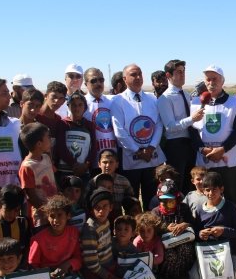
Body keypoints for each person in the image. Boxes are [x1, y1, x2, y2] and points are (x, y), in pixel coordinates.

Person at [111, 63, 166, 209]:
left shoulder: (152, 99)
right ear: (124, 78)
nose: (138, 77)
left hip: (152, 158)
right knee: (132, 200)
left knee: (153, 199)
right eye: (133, 74)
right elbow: (119, 131)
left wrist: (151, 147)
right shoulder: (117, 101)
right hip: (131, 160)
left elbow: (159, 125)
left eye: (140, 74)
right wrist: (138, 151)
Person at [188, 65, 236, 203]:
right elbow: (192, 130)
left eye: (215, 79)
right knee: (204, 197)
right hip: (204, 159)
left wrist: (223, 149)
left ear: (222, 81)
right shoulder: (195, 102)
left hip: (227, 159)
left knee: (229, 197)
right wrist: (202, 149)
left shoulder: (233, 102)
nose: (211, 82)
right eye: (208, 79)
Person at [80, 188, 135, 279]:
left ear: (111, 207)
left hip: (110, 269)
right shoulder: (90, 230)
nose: (101, 210)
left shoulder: (105, 222)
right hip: (97, 276)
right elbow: (92, 265)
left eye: (105, 206)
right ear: (91, 209)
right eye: (97, 207)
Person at [189, 172, 236, 279]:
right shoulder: (199, 209)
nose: (210, 193)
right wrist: (201, 234)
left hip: (227, 254)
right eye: (207, 190)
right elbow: (195, 232)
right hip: (206, 254)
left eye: (214, 189)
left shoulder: (230, 207)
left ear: (221, 189)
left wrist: (224, 231)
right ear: (202, 190)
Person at [157, 59, 204, 194]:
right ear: (168, 75)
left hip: (190, 144)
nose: (182, 75)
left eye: (183, 72)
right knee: (177, 184)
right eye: (178, 72)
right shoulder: (165, 99)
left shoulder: (187, 95)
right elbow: (170, 126)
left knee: (191, 184)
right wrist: (191, 119)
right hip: (175, 145)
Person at [27, 194, 82, 277]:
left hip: (69, 274)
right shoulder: (38, 240)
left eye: (60, 215)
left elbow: (78, 258)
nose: (56, 220)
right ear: (47, 218)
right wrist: (47, 276)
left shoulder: (73, 233)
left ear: (68, 216)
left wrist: (67, 265)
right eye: (52, 216)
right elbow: (32, 266)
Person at [18, 122, 58, 229]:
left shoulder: (46, 158)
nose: (50, 140)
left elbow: (53, 181)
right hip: (41, 215)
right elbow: (31, 195)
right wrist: (46, 211)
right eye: (48, 137)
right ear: (39, 144)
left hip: (55, 210)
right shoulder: (27, 166)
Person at [153, 179, 195, 278]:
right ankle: (170, 275)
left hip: (183, 240)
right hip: (164, 243)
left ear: (177, 198)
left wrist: (185, 224)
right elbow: (153, 229)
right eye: (163, 200)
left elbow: (193, 223)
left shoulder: (183, 208)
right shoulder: (155, 212)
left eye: (170, 200)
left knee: (185, 249)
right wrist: (165, 227)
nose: (167, 202)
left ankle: (184, 273)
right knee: (170, 253)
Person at [59, 90, 95, 184]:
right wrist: (74, 164)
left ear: (85, 107)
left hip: (84, 170)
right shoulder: (63, 124)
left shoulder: (90, 125)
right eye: (73, 105)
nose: (77, 108)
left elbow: (94, 148)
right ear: (68, 106)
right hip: (66, 171)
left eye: (80, 105)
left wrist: (86, 165)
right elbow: (61, 147)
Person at [36, 81, 74, 168]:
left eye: (61, 98)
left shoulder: (58, 121)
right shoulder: (35, 117)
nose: (57, 101)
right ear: (46, 96)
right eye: (54, 97)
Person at [83, 68, 117, 162]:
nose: (98, 83)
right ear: (86, 84)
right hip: (91, 160)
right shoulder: (80, 104)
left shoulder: (113, 101)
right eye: (93, 81)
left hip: (113, 159)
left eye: (101, 80)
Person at [0, 185, 31, 264]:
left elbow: (26, 249)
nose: (12, 214)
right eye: (8, 210)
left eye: (16, 210)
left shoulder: (23, 223)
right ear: (0, 205)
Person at [96, 149, 136, 221]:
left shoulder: (123, 181)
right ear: (99, 164)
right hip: (99, 217)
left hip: (118, 217)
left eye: (111, 162)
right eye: (105, 162)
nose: (108, 165)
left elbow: (131, 199)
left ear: (117, 164)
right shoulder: (94, 182)